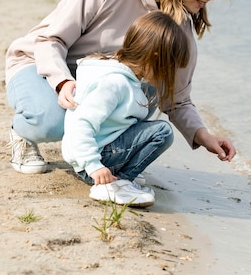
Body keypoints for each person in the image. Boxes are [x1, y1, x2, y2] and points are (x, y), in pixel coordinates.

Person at [5, 0, 237, 176]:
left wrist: (203, 136)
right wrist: (62, 81)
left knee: (148, 93)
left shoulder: (180, 28)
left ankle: (98, 159)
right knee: (52, 123)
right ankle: (22, 133)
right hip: (41, 65)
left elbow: (176, 98)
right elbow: (50, 38)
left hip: (99, 82)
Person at [62, 11, 189, 207]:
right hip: (94, 162)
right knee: (162, 132)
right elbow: (81, 124)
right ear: (155, 58)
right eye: (170, 67)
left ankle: (120, 178)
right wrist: (94, 166)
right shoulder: (115, 83)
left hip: (96, 154)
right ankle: (119, 182)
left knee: (146, 115)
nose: (170, 74)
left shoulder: (122, 75)